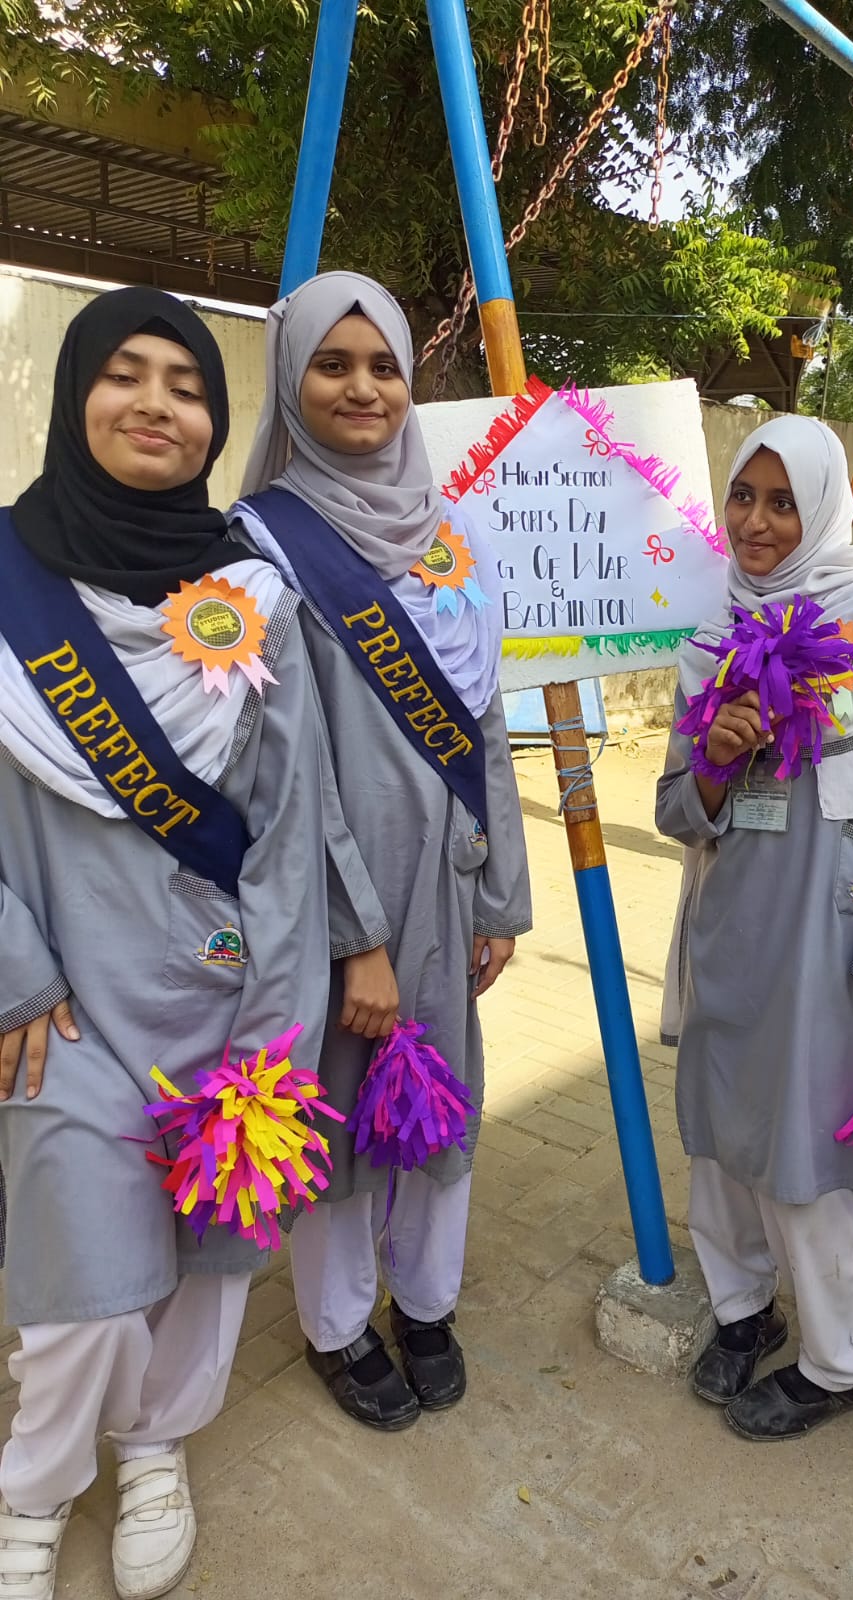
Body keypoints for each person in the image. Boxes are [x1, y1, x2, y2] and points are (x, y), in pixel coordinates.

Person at [0, 288, 383, 1600]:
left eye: (188, 385)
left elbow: (292, 823)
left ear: (217, 422)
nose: (157, 404)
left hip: (224, 996)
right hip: (60, 1004)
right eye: (126, 373)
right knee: (89, 1288)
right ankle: (36, 1488)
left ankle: (158, 1444)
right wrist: (12, 975)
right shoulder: (7, 582)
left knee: (214, 1260)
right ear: (77, 395)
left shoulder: (252, 599)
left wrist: (275, 1035)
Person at [234, 272, 532, 1431]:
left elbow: (486, 721)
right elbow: (282, 767)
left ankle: (428, 1301)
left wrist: (500, 894)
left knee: (441, 1099)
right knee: (342, 1109)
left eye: (384, 366)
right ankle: (339, 1324)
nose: (363, 388)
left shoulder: (452, 535)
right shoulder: (261, 546)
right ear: (291, 378)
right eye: (333, 364)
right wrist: (355, 937)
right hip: (331, 897)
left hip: (447, 888)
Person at [656, 416, 853, 1441]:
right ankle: (742, 1309)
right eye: (743, 497)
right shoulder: (710, 637)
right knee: (722, 1129)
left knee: (814, 1138)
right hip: (729, 923)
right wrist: (717, 762)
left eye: (783, 502)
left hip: (834, 933)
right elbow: (676, 809)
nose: (757, 523)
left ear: (823, 509)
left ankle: (837, 1359)